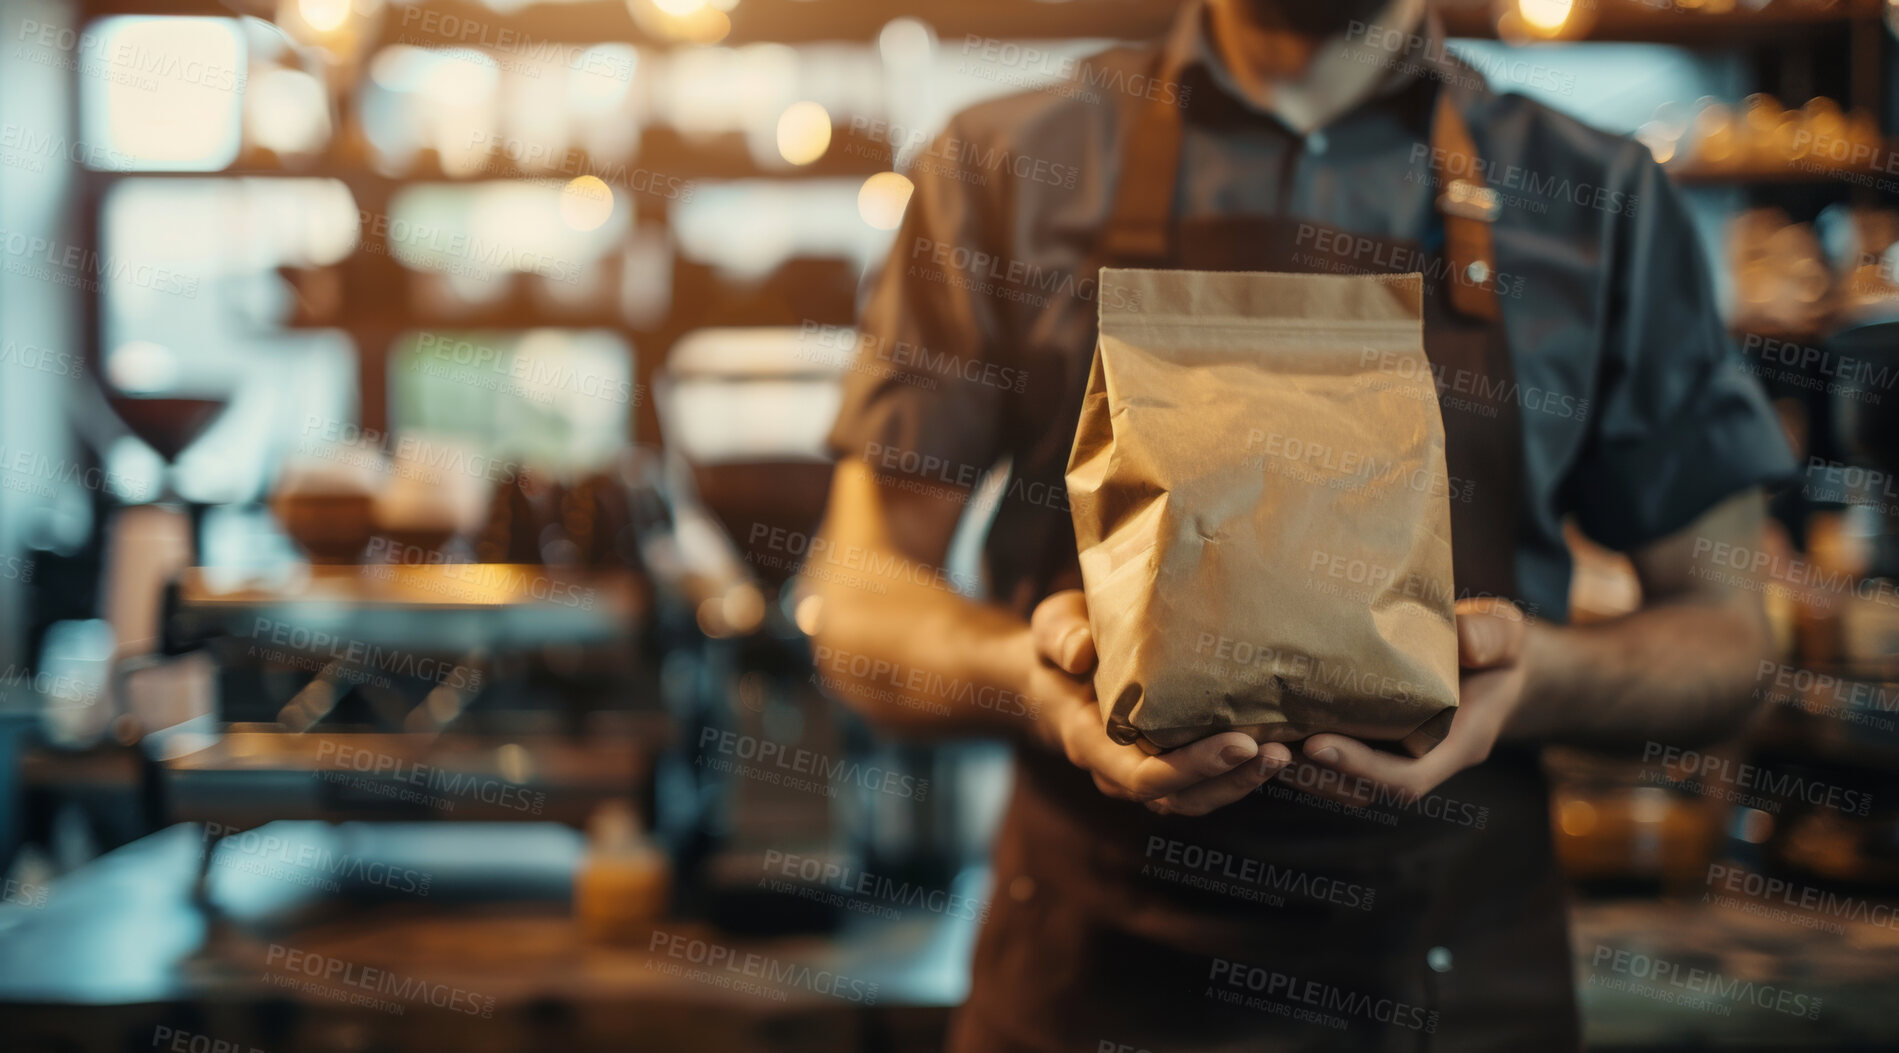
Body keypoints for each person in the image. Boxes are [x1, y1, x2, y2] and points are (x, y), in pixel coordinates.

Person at [804, 0, 1796, 1048]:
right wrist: (1029, 678)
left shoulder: (1595, 198)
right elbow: (860, 604)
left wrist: (1532, 678)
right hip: (1090, 983)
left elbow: (1732, 641)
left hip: (1452, 992)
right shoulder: (1001, 167)